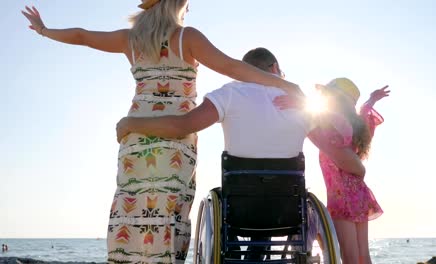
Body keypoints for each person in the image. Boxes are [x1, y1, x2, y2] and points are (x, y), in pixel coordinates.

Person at [21, 1, 303, 263]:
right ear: (176, 6)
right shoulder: (186, 37)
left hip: (135, 137)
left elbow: (82, 35)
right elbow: (232, 67)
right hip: (175, 139)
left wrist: (45, 30)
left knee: (131, 212)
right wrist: (285, 85)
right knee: (168, 214)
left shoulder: (130, 40)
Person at [116, 47, 367, 261]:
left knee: (231, 194)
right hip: (286, 208)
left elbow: (182, 126)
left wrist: (131, 124)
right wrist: (358, 166)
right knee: (271, 187)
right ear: (274, 68)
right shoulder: (298, 106)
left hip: (240, 207)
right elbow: (340, 145)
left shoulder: (231, 93)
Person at [274, 78, 389, 264]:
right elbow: (365, 111)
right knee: (362, 254)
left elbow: (319, 122)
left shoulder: (335, 123)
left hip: (341, 196)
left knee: (350, 255)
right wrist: (371, 100)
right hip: (360, 193)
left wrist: (300, 104)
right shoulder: (359, 124)